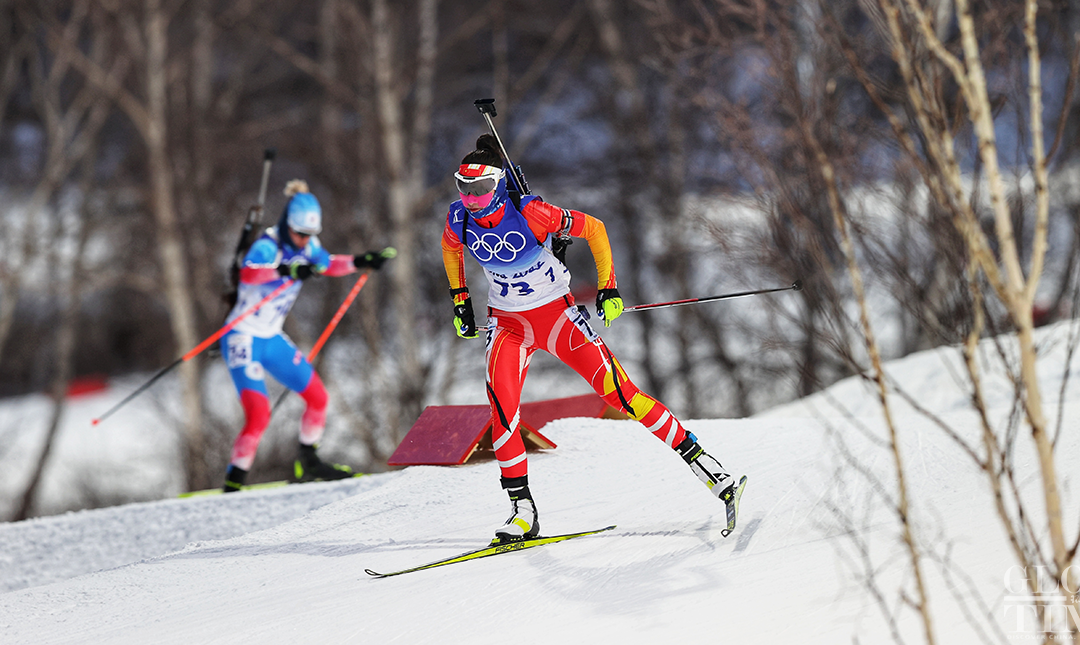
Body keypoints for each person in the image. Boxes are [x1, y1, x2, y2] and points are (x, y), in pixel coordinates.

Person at [441, 135, 736, 542]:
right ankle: (522, 512)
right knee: (503, 414)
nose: (471, 198)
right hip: (508, 325)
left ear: (499, 183)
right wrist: (460, 300)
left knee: (621, 395)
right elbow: (450, 249)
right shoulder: (459, 217)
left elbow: (595, 229)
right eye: (464, 187)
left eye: (481, 188)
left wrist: (608, 288)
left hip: (557, 318)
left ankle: (706, 466)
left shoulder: (531, 212)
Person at [221, 180, 395, 492]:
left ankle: (309, 460)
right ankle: (234, 482)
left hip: (271, 338)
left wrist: (360, 261)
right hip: (242, 337)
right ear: (287, 225)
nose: (304, 240)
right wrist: (285, 270)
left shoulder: (308, 246)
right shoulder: (268, 246)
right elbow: (250, 273)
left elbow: (327, 264)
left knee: (318, 397)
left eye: (309, 235)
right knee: (258, 414)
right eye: (300, 233)